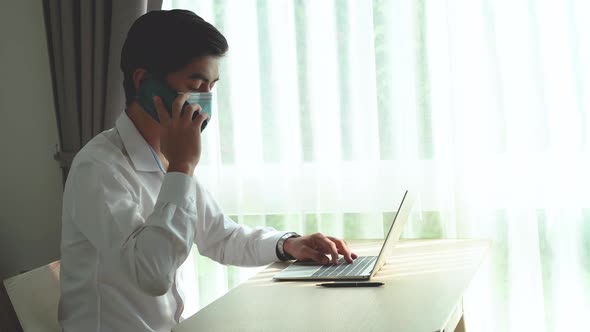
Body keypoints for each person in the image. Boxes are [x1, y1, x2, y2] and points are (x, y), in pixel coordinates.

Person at [58, 9, 357, 332]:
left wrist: (288, 244)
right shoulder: (99, 168)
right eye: (197, 85)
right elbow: (152, 274)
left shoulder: (166, 158)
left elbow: (221, 236)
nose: (206, 100)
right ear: (144, 82)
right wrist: (183, 167)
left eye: (212, 87)